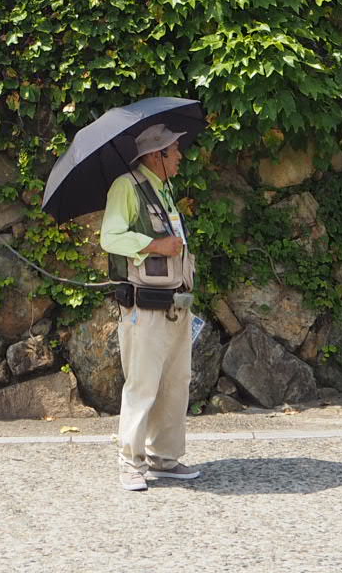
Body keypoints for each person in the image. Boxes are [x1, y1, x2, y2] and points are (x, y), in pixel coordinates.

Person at [99, 122, 199, 492]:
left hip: (176, 304)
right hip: (145, 306)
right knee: (142, 385)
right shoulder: (127, 186)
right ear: (157, 155)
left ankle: (164, 458)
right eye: (175, 150)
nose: (180, 156)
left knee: (176, 384)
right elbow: (110, 237)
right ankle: (130, 463)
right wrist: (154, 245)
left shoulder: (163, 189)